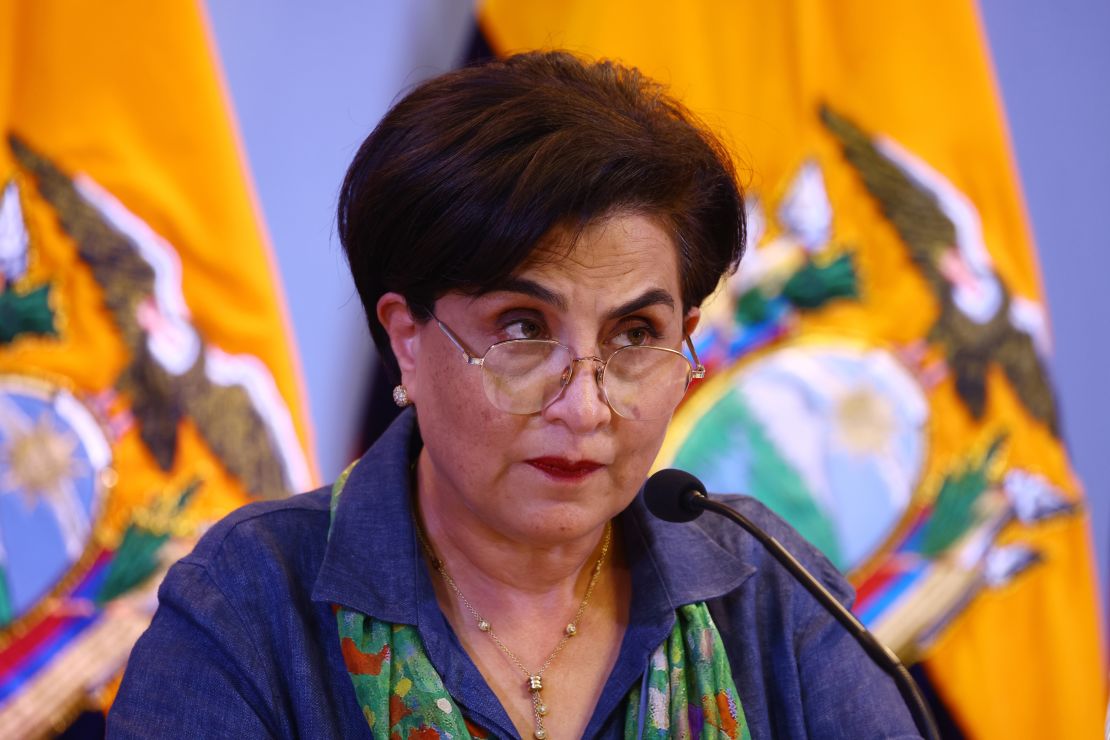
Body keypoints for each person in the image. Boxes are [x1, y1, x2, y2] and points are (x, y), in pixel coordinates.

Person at [109, 51, 920, 739]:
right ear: (408, 338)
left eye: (635, 335)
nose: (586, 407)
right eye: (523, 330)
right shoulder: (251, 602)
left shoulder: (764, 585)